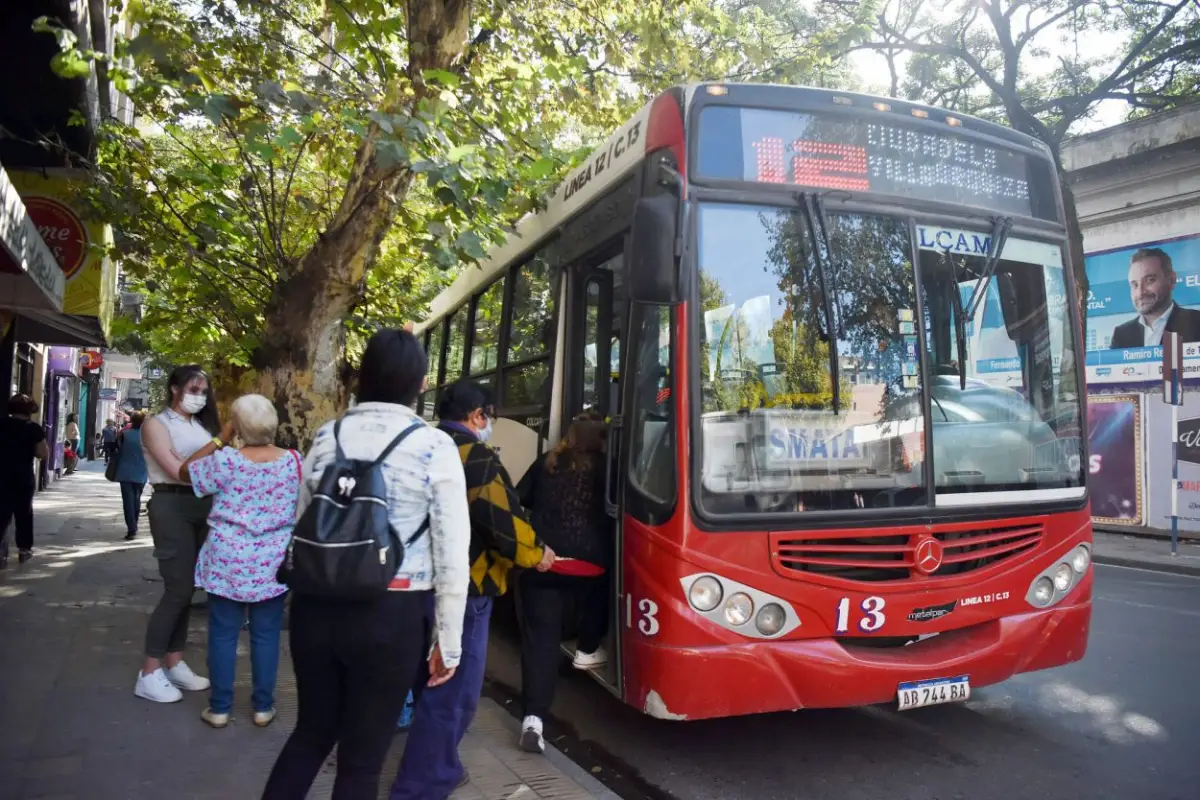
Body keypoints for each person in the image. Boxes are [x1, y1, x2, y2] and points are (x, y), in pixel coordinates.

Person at [262, 329, 472, 800]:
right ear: (420, 384)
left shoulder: (327, 436)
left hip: (316, 609)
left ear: (362, 378)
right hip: (391, 615)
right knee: (362, 761)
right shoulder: (434, 446)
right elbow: (452, 555)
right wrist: (449, 641)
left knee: (311, 733)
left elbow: (302, 526)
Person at [389, 380, 554, 800]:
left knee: (420, 680)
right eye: (489, 417)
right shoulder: (473, 456)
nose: (490, 425)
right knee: (451, 691)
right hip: (464, 588)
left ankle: (429, 768)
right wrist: (535, 553)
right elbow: (500, 521)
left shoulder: (417, 445)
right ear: (478, 416)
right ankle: (422, 783)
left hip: (406, 583)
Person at [180, 394, 298, 730]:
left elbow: (185, 471)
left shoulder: (226, 461)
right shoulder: (294, 462)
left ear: (238, 426)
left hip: (226, 561)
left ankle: (219, 709)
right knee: (265, 635)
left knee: (222, 635)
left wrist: (222, 435)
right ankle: (263, 707)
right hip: (273, 564)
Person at [515, 414, 614, 753]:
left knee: (540, 644)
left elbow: (519, 499)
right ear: (601, 440)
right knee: (604, 587)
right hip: (590, 569)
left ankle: (533, 720)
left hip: (544, 564)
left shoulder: (548, 461)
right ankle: (587, 648)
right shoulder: (606, 467)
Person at [134, 364, 223, 704]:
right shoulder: (157, 425)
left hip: (204, 507)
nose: (198, 396)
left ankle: (174, 660)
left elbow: (212, 468)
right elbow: (178, 471)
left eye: (203, 391)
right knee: (177, 589)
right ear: (174, 387)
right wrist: (219, 443)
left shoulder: (200, 425)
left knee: (188, 589)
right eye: (193, 389)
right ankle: (149, 670)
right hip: (171, 504)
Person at [1110, 247, 1200, 348]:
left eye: (1150, 280)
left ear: (1171, 280)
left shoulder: (1196, 323)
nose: (1140, 293)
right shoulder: (1121, 335)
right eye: (1135, 285)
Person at [0, 394, 51, 566]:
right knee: (23, 513)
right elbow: (42, 453)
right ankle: (24, 549)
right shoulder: (33, 429)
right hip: (22, 477)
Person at [115, 411, 149, 541]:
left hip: (125, 472)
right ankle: (134, 524)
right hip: (141, 472)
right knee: (136, 498)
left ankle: (132, 528)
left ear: (132, 421)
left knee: (128, 501)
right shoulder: (147, 436)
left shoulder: (124, 434)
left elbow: (116, 450)